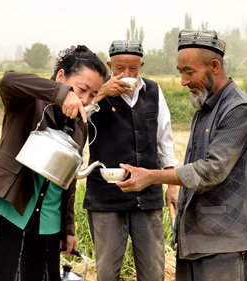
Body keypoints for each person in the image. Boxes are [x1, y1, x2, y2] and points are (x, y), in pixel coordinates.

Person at [0, 45, 127, 281]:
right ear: (61, 76)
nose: (85, 99)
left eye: (93, 94)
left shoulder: (80, 126)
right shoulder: (30, 103)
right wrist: (61, 93)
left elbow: (67, 180)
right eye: (81, 89)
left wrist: (68, 229)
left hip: (47, 228)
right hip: (5, 212)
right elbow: (8, 81)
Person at [116, 30, 247, 281]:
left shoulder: (240, 109)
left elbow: (211, 170)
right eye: (180, 72)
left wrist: (153, 177)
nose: (183, 81)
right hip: (195, 240)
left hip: (224, 244)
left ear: (214, 66)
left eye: (189, 71)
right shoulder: (204, 107)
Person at [84, 40, 180, 281]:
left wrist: (171, 184)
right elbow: (76, 121)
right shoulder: (96, 93)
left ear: (141, 66)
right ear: (109, 66)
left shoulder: (154, 92)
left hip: (147, 196)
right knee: (107, 272)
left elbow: (164, 140)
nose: (126, 75)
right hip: (106, 197)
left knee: (153, 271)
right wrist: (102, 93)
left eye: (133, 69)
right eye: (119, 69)